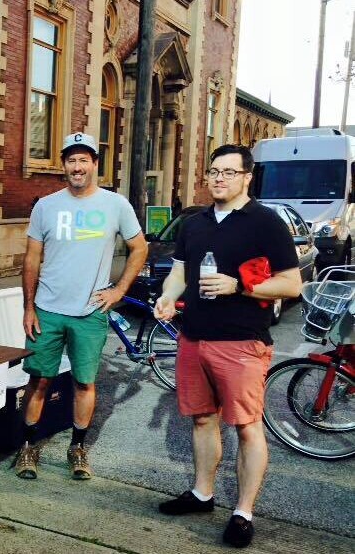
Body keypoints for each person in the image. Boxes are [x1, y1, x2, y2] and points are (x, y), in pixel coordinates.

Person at [154, 144, 301, 548]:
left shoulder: (265, 223)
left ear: (247, 177)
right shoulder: (195, 223)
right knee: (202, 419)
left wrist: (241, 285)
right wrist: (168, 297)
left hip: (241, 343)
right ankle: (203, 494)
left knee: (247, 427)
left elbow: (291, 284)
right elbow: (179, 274)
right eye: (214, 171)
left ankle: (243, 512)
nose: (219, 178)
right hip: (193, 338)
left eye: (229, 172)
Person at [15, 132, 148, 480]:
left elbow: (140, 248)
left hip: (90, 312)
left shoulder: (115, 205)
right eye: (71, 160)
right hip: (47, 310)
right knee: (38, 381)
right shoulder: (46, 206)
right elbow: (31, 258)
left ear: (94, 164)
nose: (77, 166)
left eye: (83, 159)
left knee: (84, 383)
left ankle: (78, 448)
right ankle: (27, 447)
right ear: (64, 166)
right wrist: (29, 307)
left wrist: (119, 290)